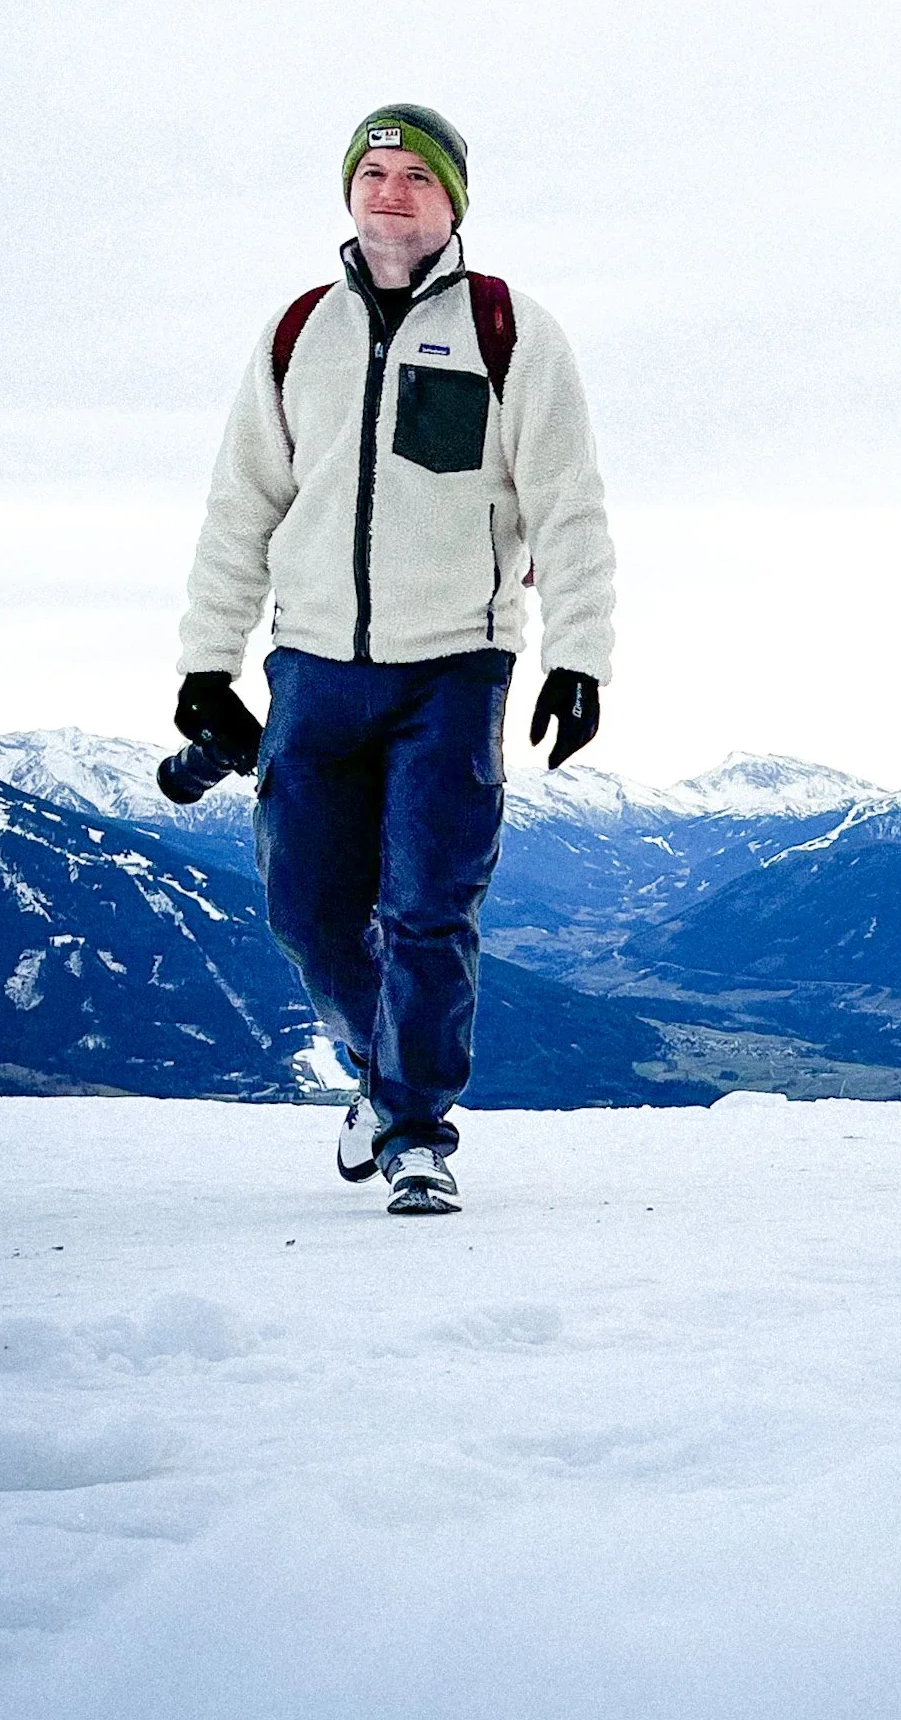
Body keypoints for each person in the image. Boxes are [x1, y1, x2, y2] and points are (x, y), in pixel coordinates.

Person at [173, 103, 614, 1213]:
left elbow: (567, 506)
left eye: (416, 175)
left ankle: (416, 1131)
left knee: (428, 905)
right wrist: (205, 665)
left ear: (452, 200)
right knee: (308, 910)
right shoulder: (297, 333)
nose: (390, 191)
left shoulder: (510, 330)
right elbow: (242, 509)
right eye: (372, 171)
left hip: (454, 667)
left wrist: (581, 654)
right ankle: (378, 1073)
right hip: (312, 666)